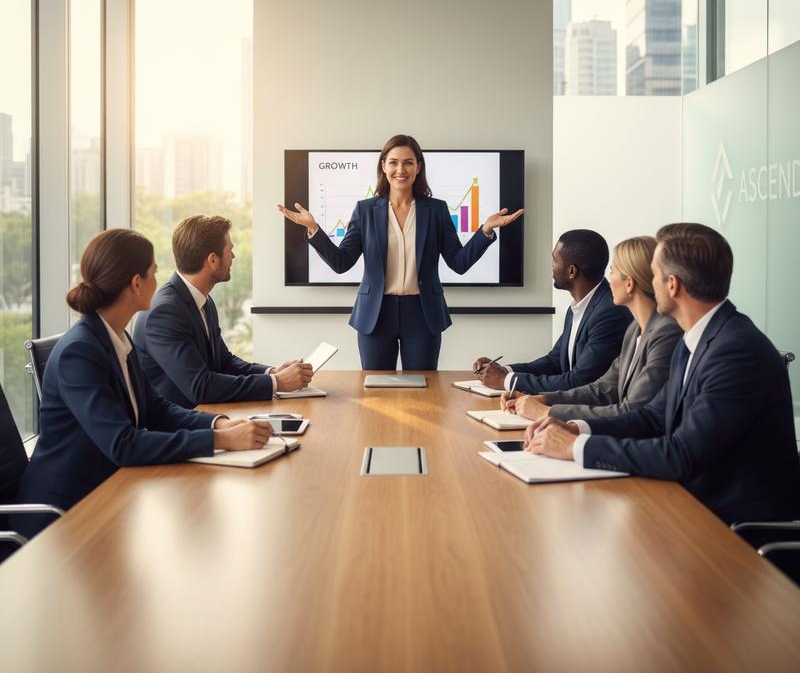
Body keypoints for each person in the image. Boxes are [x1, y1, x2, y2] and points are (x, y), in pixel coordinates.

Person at [524, 223, 800, 525]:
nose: (648, 284)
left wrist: (574, 447)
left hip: (737, 526)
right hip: (694, 504)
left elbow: (681, 454)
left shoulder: (735, 351)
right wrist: (576, 429)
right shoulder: (696, 338)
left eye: (653, 275)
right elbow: (653, 417)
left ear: (672, 285)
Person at [15, 229, 272, 538]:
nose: (159, 281)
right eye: (154, 271)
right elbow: (123, 444)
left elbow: (157, 410)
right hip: (64, 517)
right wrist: (220, 441)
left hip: (110, 493)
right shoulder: (79, 352)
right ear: (137, 283)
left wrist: (219, 424)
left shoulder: (117, 336)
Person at [278, 135, 523, 370]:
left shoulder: (436, 210)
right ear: (383, 166)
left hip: (422, 314)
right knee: (375, 390)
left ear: (418, 167)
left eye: (408, 162)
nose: (400, 170)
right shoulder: (365, 210)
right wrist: (314, 229)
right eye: (393, 162)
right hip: (375, 314)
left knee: (424, 389)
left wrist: (485, 230)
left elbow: (459, 263)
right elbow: (342, 263)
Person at [133, 215, 312, 407]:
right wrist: (277, 383)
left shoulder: (203, 301)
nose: (233, 256)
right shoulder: (164, 313)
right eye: (230, 250)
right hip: (179, 421)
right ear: (212, 259)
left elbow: (224, 362)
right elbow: (201, 387)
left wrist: (272, 373)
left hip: (206, 413)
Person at [502, 236, 681, 421]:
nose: (608, 279)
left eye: (612, 271)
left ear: (629, 283)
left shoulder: (665, 333)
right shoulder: (635, 330)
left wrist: (546, 412)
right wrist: (544, 399)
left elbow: (634, 410)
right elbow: (603, 389)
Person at [474, 229, 632, 393]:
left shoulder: (609, 313)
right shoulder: (578, 307)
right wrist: (504, 371)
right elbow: (555, 362)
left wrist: (507, 381)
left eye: (554, 259)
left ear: (572, 271)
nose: (551, 265)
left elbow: (579, 382)